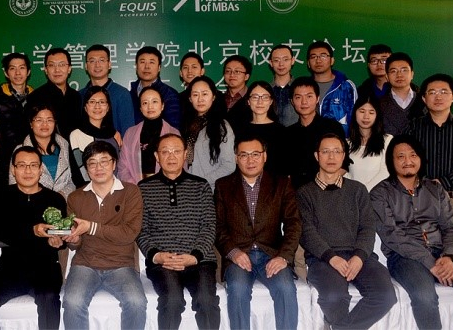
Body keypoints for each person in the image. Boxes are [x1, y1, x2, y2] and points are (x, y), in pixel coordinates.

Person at [371, 135, 453, 329]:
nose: (408, 161)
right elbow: (392, 236)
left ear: (420, 159)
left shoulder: (435, 189)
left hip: (441, 253)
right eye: (401, 156)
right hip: (404, 258)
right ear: (391, 162)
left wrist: (449, 256)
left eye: (413, 155)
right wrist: (430, 262)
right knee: (424, 295)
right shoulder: (380, 193)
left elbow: (451, 228)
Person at [297, 133, 396, 329]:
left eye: (337, 152)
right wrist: (331, 257)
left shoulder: (358, 190)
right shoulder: (304, 193)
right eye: (325, 152)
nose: (331, 157)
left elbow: (368, 227)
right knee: (334, 296)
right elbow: (306, 232)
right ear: (317, 156)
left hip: (359, 256)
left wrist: (359, 257)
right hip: (323, 259)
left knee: (385, 295)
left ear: (344, 156)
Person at [0, 146, 68, 330]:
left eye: (33, 165)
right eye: (22, 165)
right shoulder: (2, 197)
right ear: (13, 169)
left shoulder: (55, 199)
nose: (28, 171)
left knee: (49, 297)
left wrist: (58, 242)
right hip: (10, 269)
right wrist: (32, 230)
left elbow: (61, 237)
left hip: (45, 268)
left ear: (41, 169)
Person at [215, 136, 300, 330]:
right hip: (238, 255)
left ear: (265, 156)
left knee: (286, 289)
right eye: (243, 155)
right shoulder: (223, 186)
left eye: (255, 154)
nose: (250, 160)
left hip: (272, 254)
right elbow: (218, 227)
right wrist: (233, 252)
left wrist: (284, 257)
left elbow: (293, 224)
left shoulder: (281, 184)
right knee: (237, 289)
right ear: (236, 158)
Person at [137, 134, 220, 330]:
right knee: (172, 300)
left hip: (199, 260)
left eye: (176, 151)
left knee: (206, 300)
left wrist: (195, 256)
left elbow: (209, 225)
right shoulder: (143, 188)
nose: (171, 156)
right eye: (165, 152)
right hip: (163, 261)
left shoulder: (201, 186)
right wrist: (156, 256)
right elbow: (141, 229)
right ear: (157, 156)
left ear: (185, 154)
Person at [62, 141, 147, 330]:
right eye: (92, 163)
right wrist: (74, 240)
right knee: (72, 302)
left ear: (114, 164)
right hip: (85, 264)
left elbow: (129, 233)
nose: (98, 168)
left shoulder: (131, 192)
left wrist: (91, 227)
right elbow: (75, 242)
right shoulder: (75, 197)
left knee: (136, 303)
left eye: (104, 161)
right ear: (86, 169)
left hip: (121, 265)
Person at [407, 73, 453, 257]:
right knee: (423, 246)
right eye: (432, 92)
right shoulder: (413, 128)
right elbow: (404, 160)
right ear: (424, 98)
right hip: (420, 198)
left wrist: (445, 182)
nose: (438, 96)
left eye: (443, 91)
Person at [284, 76, 347, 190]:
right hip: (296, 193)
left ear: (317, 98)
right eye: (298, 97)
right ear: (292, 101)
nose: (304, 102)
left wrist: (324, 186)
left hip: (327, 191)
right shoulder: (288, 133)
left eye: (309, 96)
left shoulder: (332, 127)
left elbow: (344, 163)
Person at [10, 104, 84, 199]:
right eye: (39, 120)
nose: (44, 124)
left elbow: (72, 181)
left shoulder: (65, 146)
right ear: (31, 124)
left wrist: (60, 197)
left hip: (62, 203)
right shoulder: (20, 150)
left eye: (49, 120)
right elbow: (13, 183)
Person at [183, 76, 236, 190]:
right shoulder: (187, 125)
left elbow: (229, 165)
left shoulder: (222, 126)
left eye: (205, 94)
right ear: (190, 98)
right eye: (195, 94)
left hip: (211, 190)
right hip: (188, 190)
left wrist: (202, 182)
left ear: (213, 97)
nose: (200, 99)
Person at [119, 87, 180, 184]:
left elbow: (179, 166)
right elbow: (123, 167)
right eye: (145, 103)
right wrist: (136, 188)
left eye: (154, 101)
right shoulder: (130, 133)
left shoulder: (173, 133)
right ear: (140, 108)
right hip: (136, 189)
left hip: (166, 188)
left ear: (162, 105)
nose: (150, 106)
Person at [80, 44, 135, 135]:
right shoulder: (80, 95)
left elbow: (128, 132)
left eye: (101, 60)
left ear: (109, 64)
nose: (97, 65)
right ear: (86, 66)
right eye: (92, 61)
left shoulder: (122, 94)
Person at [27, 47, 82, 138]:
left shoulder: (76, 96)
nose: (57, 70)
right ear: (45, 70)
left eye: (62, 65)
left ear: (69, 69)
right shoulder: (36, 97)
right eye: (52, 65)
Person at [70, 86, 122, 181]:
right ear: (85, 107)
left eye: (102, 102)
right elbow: (78, 170)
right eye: (92, 102)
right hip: (86, 190)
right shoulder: (76, 135)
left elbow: (119, 168)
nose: (97, 106)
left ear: (108, 107)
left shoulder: (115, 135)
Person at [306, 40, 357, 136]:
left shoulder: (346, 86)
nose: (318, 60)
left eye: (323, 56)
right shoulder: (304, 88)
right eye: (313, 57)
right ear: (308, 63)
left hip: (340, 144)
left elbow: (355, 119)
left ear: (332, 60)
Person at [345, 94, 392, 191]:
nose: (366, 117)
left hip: (378, 196)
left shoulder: (387, 140)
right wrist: (355, 192)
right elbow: (345, 172)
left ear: (377, 115)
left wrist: (363, 191)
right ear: (355, 113)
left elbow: (386, 171)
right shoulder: (346, 143)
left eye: (371, 112)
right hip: (353, 196)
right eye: (362, 111)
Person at [239, 81, 288, 176]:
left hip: (274, 183)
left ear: (271, 101)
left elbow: (284, 165)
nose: (260, 102)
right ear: (248, 101)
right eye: (255, 97)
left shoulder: (281, 131)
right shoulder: (240, 130)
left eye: (265, 97)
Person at [0, 52, 34, 147]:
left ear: (28, 71)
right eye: (12, 68)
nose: (17, 73)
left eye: (22, 68)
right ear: (6, 73)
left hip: (32, 154)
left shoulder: (37, 99)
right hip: (4, 155)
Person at [129, 45, 181, 129]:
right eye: (142, 62)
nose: (147, 67)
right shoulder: (129, 95)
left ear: (159, 67)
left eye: (151, 62)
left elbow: (172, 128)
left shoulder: (169, 94)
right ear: (136, 66)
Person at [380, 52, 425, 135]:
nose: (399, 75)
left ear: (412, 74)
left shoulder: (425, 102)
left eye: (404, 70)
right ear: (387, 77)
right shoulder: (378, 105)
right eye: (393, 71)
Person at [268, 45, 298, 126]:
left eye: (285, 59)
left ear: (292, 61)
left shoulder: (300, 88)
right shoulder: (266, 90)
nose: (281, 64)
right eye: (276, 60)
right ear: (271, 63)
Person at [222, 54, 253, 128]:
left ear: (246, 76)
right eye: (228, 71)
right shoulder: (217, 99)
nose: (232, 75)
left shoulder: (253, 99)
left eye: (237, 71)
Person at [177, 52, 206, 123]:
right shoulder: (177, 98)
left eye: (194, 67)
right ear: (181, 73)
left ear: (202, 71)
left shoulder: (216, 96)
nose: (189, 71)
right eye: (185, 67)